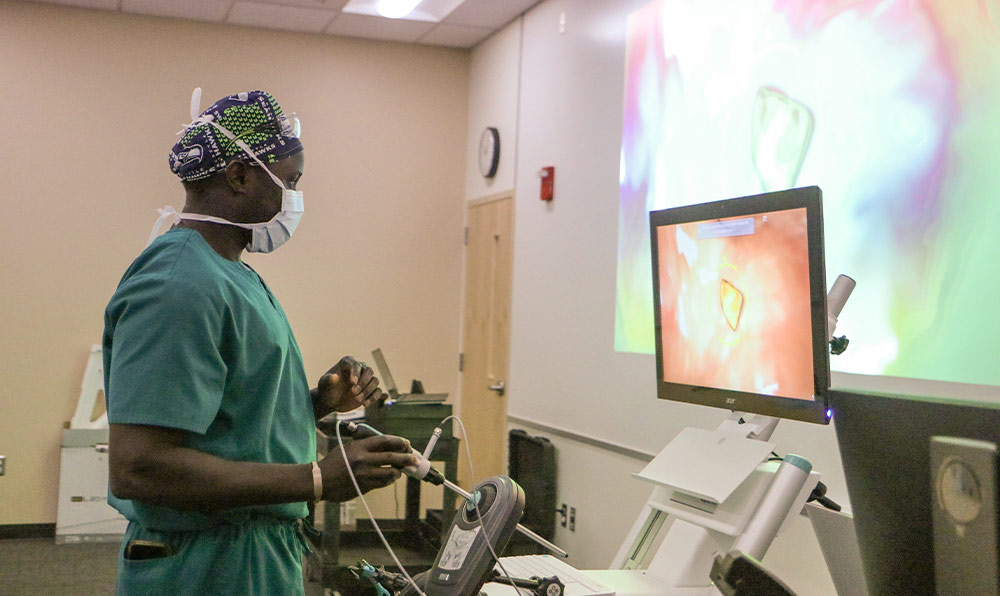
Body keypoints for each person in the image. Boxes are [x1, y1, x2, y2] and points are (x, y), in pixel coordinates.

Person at [102, 89, 416, 596]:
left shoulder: (231, 274)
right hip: (205, 565)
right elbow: (140, 467)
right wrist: (316, 479)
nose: (294, 199)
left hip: (249, 550)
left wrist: (315, 403)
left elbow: (225, 421)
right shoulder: (179, 285)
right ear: (241, 176)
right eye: (289, 181)